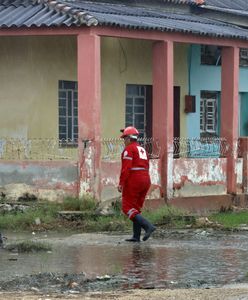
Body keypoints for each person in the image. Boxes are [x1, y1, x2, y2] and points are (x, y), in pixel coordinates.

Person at [118, 126, 156, 242]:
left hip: (134, 179)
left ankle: (148, 226)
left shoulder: (129, 149)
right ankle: (136, 236)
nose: (124, 141)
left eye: (124, 138)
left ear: (129, 138)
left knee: (126, 207)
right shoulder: (142, 149)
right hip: (145, 179)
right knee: (136, 208)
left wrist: (121, 183)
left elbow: (126, 168)